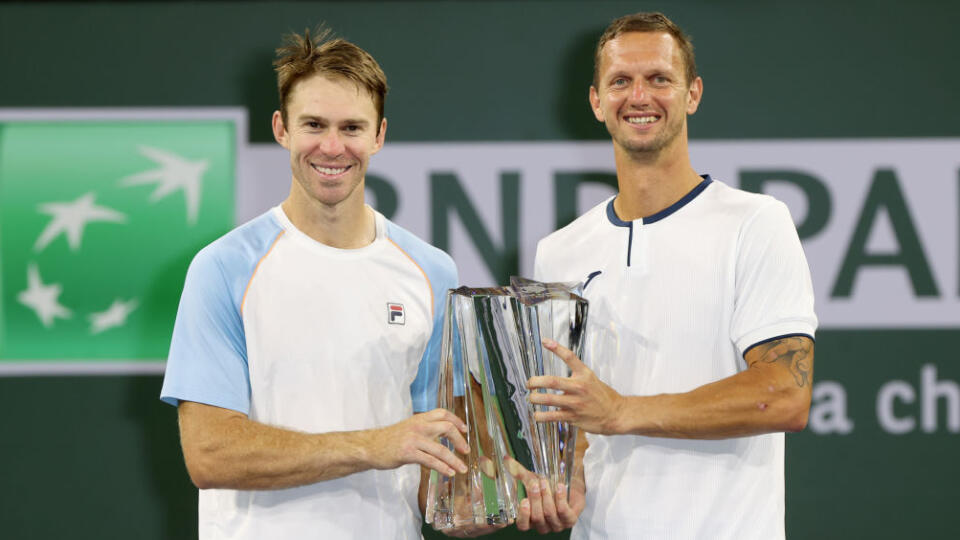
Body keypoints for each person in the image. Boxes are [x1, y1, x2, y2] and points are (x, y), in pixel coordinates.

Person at [159, 29, 475, 539]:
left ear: (379, 135)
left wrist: (486, 501)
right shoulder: (223, 267)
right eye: (314, 125)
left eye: (352, 127)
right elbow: (210, 454)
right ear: (281, 128)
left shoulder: (433, 272)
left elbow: (434, 466)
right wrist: (371, 445)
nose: (332, 147)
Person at [518, 12, 817, 539]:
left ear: (692, 93)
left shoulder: (755, 222)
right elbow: (572, 423)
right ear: (595, 101)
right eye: (621, 81)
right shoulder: (558, 252)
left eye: (659, 78)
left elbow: (785, 394)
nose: (640, 96)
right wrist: (563, 483)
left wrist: (621, 412)